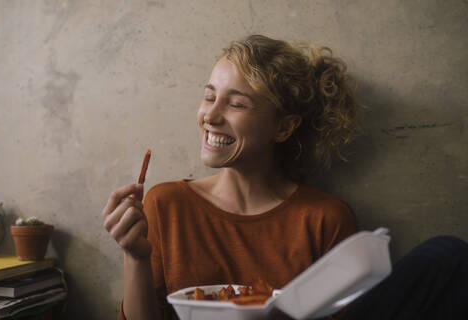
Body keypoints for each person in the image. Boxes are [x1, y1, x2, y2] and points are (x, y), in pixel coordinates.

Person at [102, 35, 468, 320]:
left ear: (283, 127)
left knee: (446, 255)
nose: (210, 116)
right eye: (209, 96)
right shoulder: (167, 203)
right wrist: (135, 256)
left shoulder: (326, 218)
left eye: (236, 103)